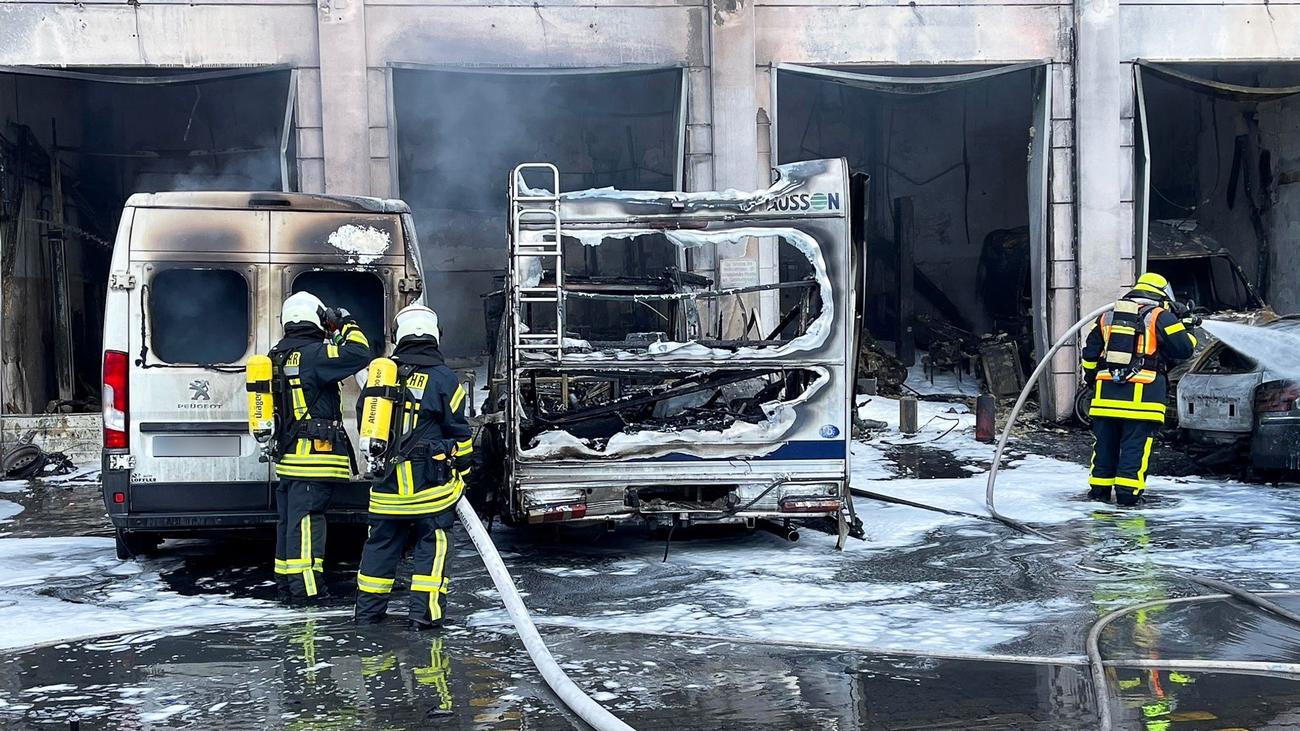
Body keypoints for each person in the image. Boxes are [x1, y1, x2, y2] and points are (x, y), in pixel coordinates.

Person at [354, 304, 472, 630]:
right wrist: (464, 473)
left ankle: (367, 615)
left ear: (399, 336)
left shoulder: (380, 377)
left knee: (379, 550)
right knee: (433, 548)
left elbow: (366, 423)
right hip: (429, 492)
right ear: (435, 336)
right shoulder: (444, 379)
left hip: (386, 491)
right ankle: (425, 616)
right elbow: (460, 434)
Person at [268, 291, 372, 604]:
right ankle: (307, 592)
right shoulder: (315, 354)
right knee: (307, 524)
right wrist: (346, 323)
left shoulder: (277, 355)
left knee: (289, 524)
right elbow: (359, 354)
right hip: (313, 458)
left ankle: (287, 586)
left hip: (289, 458)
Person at [1080, 272, 1197, 506]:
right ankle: (1127, 495)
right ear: (1162, 294)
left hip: (1106, 396)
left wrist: (1093, 380)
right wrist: (1186, 325)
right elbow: (1185, 349)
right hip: (1143, 398)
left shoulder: (1107, 316)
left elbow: (1090, 355)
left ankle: (1099, 492)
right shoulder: (1160, 317)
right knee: (1135, 446)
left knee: (1104, 445)